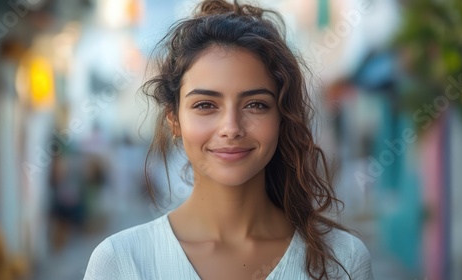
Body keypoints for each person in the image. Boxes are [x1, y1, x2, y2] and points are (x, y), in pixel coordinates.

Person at [84, 0, 373, 279]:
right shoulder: (121, 262)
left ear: (282, 118)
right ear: (174, 119)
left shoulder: (342, 259)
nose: (231, 128)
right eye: (205, 105)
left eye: (256, 104)